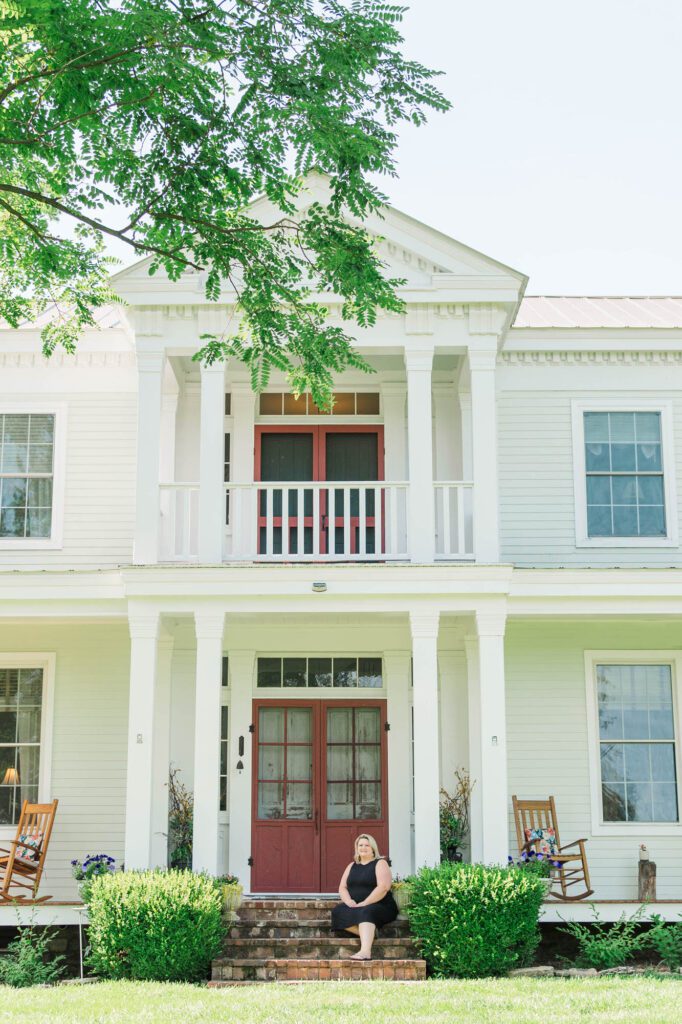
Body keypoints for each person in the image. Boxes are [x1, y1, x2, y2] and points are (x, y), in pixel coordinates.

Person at [330, 833, 398, 960]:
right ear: (356, 848)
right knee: (338, 912)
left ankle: (365, 951)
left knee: (366, 912)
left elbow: (383, 887)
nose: (363, 847)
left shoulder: (380, 863)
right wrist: (349, 901)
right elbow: (342, 887)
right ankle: (371, 933)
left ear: (373, 848)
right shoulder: (351, 866)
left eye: (367, 845)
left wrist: (366, 902)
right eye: (360, 845)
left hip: (380, 905)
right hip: (358, 905)